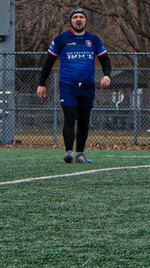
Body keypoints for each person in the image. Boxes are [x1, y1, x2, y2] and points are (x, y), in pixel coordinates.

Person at [39, 9, 112, 163]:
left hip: (87, 85)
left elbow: (105, 59)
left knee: (84, 120)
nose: (78, 19)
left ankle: (80, 154)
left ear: (86, 20)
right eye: (75, 17)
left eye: (81, 17)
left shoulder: (94, 40)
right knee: (70, 117)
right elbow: (49, 62)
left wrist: (107, 75)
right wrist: (41, 83)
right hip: (68, 85)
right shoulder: (61, 39)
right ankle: (69, 152)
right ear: (71, 20)